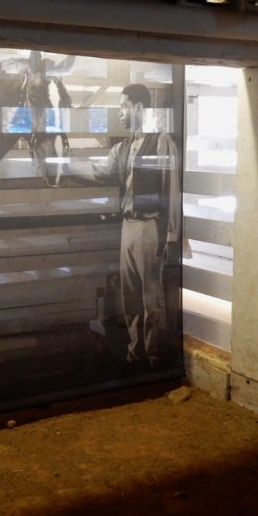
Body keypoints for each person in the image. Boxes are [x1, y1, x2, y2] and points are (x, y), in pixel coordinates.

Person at [66, 83, 181, 367]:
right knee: (129, 296)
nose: (119, 113)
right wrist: (65, 165)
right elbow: (99, 171)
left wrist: (172, 236)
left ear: (139, 108)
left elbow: (172, 191)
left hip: (150, 225)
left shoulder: (161, 141)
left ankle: (153, 355)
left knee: (150, 296)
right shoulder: (124, 147)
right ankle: (135, 353)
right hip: (128, 226)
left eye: (123, 106)